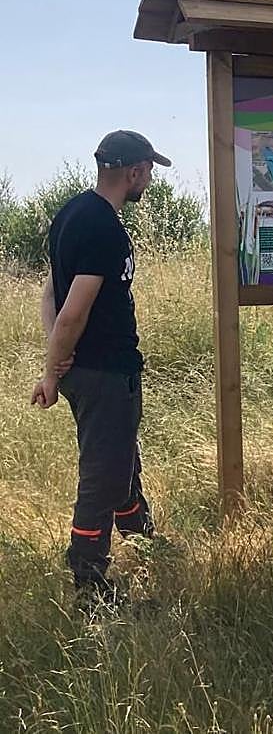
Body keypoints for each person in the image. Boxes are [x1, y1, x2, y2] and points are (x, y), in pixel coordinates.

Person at [31, 130, 170, 604]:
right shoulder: (104, 228)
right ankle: (89, 581)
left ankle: (138, 529)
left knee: (119, 452)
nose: (149, 179)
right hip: (104, 371)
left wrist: (57, 356)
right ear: (133, 172)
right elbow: (74, 308)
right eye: (148, 171)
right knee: (102, 473)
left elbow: (50, 291)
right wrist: (52, 370)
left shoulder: (71, 213)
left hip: (92, 367)